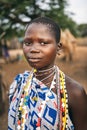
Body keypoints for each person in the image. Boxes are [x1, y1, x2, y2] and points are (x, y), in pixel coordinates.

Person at [8, 17, 87, 130]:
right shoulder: (19, 83)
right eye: (28, 43)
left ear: (58, 48)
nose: (33, 49)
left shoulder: (75, 92)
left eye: (43, 43)